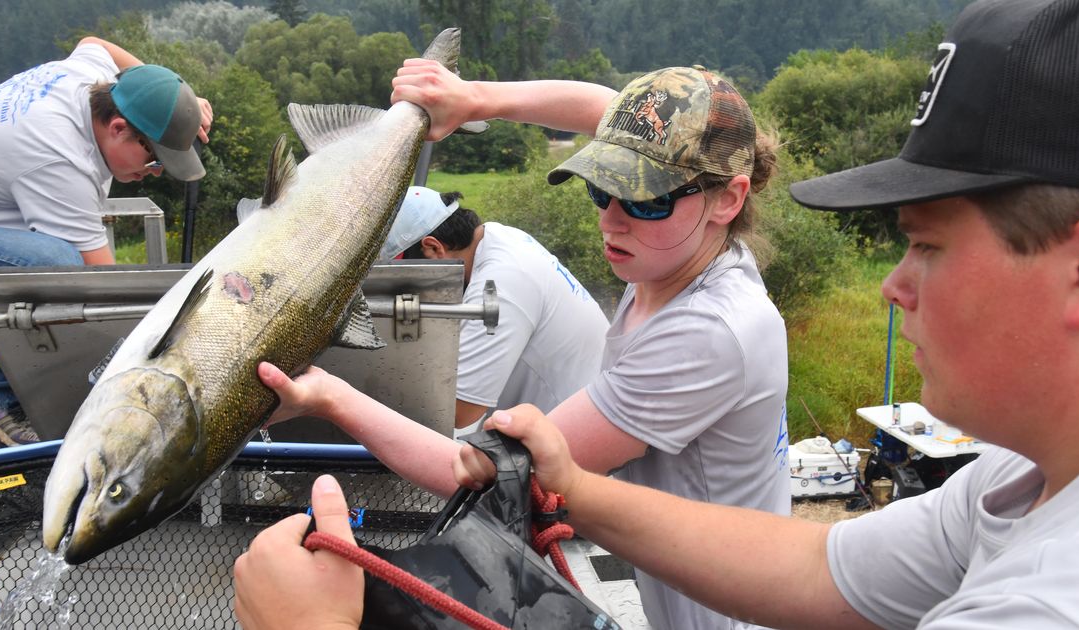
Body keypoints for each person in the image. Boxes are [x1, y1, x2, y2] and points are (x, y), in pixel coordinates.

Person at [444, 1, 1079, 628]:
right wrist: (573, 488)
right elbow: (820, 568)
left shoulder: (1073, 603)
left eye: (926, 244)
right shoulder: (1020, 477)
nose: (894, 286)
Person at [236, 64, 790, 629]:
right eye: (602, 188)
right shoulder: (691, 250)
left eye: (645, 201)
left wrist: (330, 396)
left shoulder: (707, 333)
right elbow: (602, 107)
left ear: (729, 199)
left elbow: (467, 469)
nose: (612, 221)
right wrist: (474, 98)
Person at [0, 36, 213, 445]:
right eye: (153, 158)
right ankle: (7, 405)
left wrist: (176, 103)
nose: (155, 171)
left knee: (58, 285)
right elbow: (104, 289)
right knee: (57, 265)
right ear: (118, 128)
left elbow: (96, 44)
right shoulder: (59, 158)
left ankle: (4, 397)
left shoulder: (94, 82)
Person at [382, 185, 608, 432]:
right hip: (578, 413)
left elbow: (458, 410)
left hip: (575, 440)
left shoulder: (500, 284)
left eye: (404, 271)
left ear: (434, 247)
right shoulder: (500, 236)